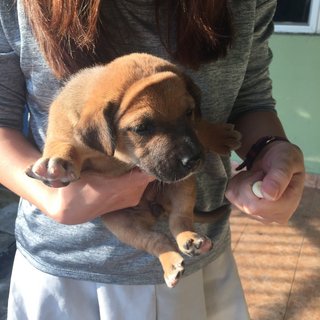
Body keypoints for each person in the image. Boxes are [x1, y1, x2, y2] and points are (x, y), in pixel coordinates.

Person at [0, 0, 305, 319]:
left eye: (189, 110)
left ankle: (181, 230)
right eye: (144, 126)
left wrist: (270, 150)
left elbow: (249, 94)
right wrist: (54, 200)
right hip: (65, 273)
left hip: (198, 265)